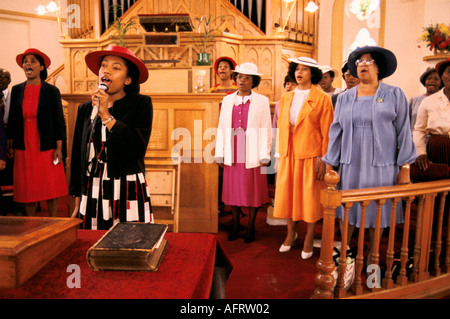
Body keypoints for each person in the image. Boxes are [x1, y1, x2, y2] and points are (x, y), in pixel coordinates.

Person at [323, 46, 417, 264]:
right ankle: (347, 256)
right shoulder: (344, 98)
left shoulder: (394, 94)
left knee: (378, 211)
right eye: (359, 62)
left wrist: (405, 168)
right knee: (346, 211)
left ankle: (374, 258)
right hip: (350, 163)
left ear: (378, 67)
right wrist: (330, 164)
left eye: (368, 61)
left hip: (381, 166)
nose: (362, 64)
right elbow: (336, 132)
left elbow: (404, 130)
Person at [69, 45, 153, 230]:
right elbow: (78, 153)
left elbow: (136, 148)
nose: (106, 70)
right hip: (93, 185)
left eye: (116, 67)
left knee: (130, 241)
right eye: (104, 66)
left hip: (126, 184)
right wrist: (77, 197)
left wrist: (106, 115)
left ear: (128, 79)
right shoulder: (85, 109)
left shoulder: (141, 104)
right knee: (92, 240)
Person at [273, 57, 334, 259]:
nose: (299, 73)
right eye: (297, 69)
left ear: (313, 73)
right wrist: (279, 154)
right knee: (288, 197)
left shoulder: (323, 98)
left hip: (311, 155)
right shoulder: (286, 97)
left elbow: (327, 132)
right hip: (288, 154)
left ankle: (309, 238)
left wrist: (324, 161)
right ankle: (290, 234)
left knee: (310, 199)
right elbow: (281, 128)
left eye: (305, 69)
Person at [215, 62, 272, 243]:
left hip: (252, 151)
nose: (242, 80)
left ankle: (251, 226)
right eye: (239, 77)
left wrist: (265, 153)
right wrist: (220, 151)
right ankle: (235, 224)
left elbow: (266, 129)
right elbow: (222, 127)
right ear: (235, 78)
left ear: (253, 81)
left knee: (251, 190)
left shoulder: (262, 101)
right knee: (232, 190)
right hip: (233, 150)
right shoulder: (227, 100)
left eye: (247, 78)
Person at [7, 48, 68, 217]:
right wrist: (11, 144)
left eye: (33, 61)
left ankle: (54, 221)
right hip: (24, 143)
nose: (28, 64)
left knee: (50, 184)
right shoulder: (17, 90)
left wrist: (59, 148)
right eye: (25, 61)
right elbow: (12, 118)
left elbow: (58, 121)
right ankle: (32, 223)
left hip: (46, 143)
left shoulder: (51, 91)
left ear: (41, 67)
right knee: (28, 187)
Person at [413, 58, 450, 173]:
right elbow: (419, 129)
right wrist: (421, 153)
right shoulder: (429, 101)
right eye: (449, 71)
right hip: (436, 151)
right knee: (437, 186)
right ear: (442, 77)